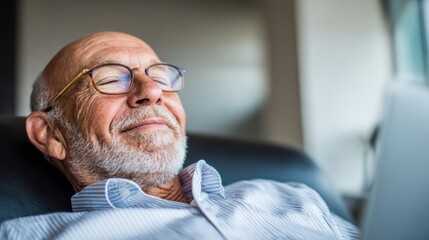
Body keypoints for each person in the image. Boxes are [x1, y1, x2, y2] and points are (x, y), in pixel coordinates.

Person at [0, 32, 359, 239]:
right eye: (109, 78)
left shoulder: (292, 197)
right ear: (50, 135)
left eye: (160, 76)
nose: (150, 91)